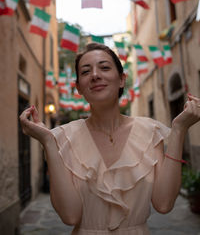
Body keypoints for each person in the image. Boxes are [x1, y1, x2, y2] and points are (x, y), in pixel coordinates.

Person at [20, 43, 200, 235]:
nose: (95, 75)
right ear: (79, 87)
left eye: (104, 67)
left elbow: (164, 204)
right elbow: (70, 216)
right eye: (86, 71)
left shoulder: (149, 132)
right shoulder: (62, 138)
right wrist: (48, 142)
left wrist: (179, 130)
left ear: (122, 79)